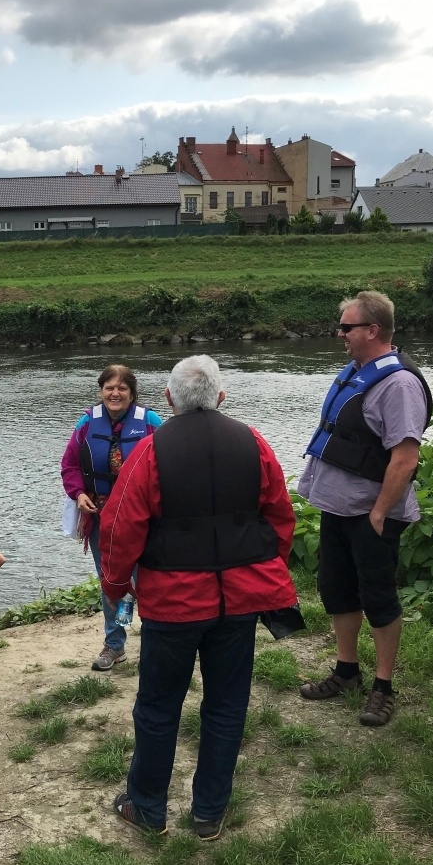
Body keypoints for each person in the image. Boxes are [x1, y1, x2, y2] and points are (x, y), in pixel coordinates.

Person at [100, 355, 296, 839]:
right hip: (239, 601)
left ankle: (147, 806)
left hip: (174, 603)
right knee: (227, 705)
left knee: (158, 706)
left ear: (168, 399)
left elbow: (119, 529)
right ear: (221, 397)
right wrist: (260, 571)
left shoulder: (149, 452)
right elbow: (280, 520)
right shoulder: (254, 444)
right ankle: (209, 812)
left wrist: (118, 587)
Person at [296, 290, 431, 728]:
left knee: (379, 598)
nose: (340, 334)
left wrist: (378, 513)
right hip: (338, 508)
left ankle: (384, 687)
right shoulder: (357, 371)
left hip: (372, 515)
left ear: (372, 330)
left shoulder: (399, 385)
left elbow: (405, 457)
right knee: (337, 590)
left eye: (347, 328)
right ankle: (347, 670)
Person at [61, 364, 163, 671]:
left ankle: (157, 640)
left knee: (149, 578)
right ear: (101, 391)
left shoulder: (151, 422)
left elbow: (169, 463)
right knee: (110, 581)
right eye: (109, 387)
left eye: (121, 388)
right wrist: (78, 493)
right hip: (101, 516)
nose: (114, 393)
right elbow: (70, 466)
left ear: (132, 393)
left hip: (143, 518)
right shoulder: (86, 423)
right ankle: (114, 644)